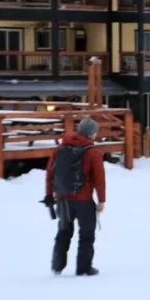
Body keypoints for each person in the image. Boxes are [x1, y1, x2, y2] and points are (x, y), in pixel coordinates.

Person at [46, 116, 106, 276]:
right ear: (91, 133)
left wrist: (49, 194)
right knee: (86, 234)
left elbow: (50, 174)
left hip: (63, 198)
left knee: (64, 231)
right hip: (84, 200)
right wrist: (101, 200)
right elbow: (99, 179)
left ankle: (57, 265)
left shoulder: (59, 149)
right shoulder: (93, 152)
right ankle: (84, 268)